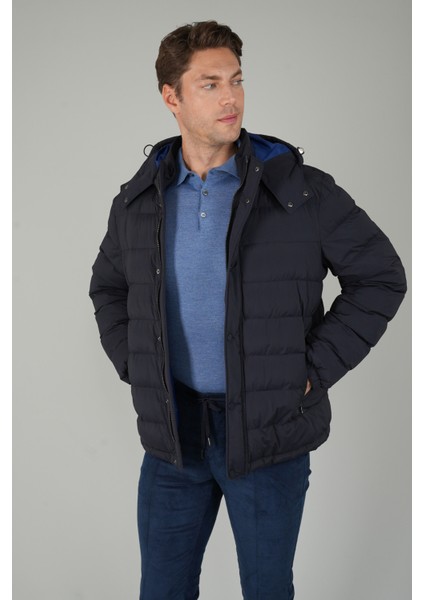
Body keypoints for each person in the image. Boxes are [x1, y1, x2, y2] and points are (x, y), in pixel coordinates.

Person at [89, 20, 406, 600]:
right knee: (161, 590)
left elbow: (381, 278)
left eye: (236, 80)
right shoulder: (140, 200)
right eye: (209, 84)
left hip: (267, 435)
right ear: (171, 97)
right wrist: (136, 364)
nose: (230, 97)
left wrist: (309, 370)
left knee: (266, 590)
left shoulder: (300, 190)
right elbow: (109, 287)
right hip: (175, 436)